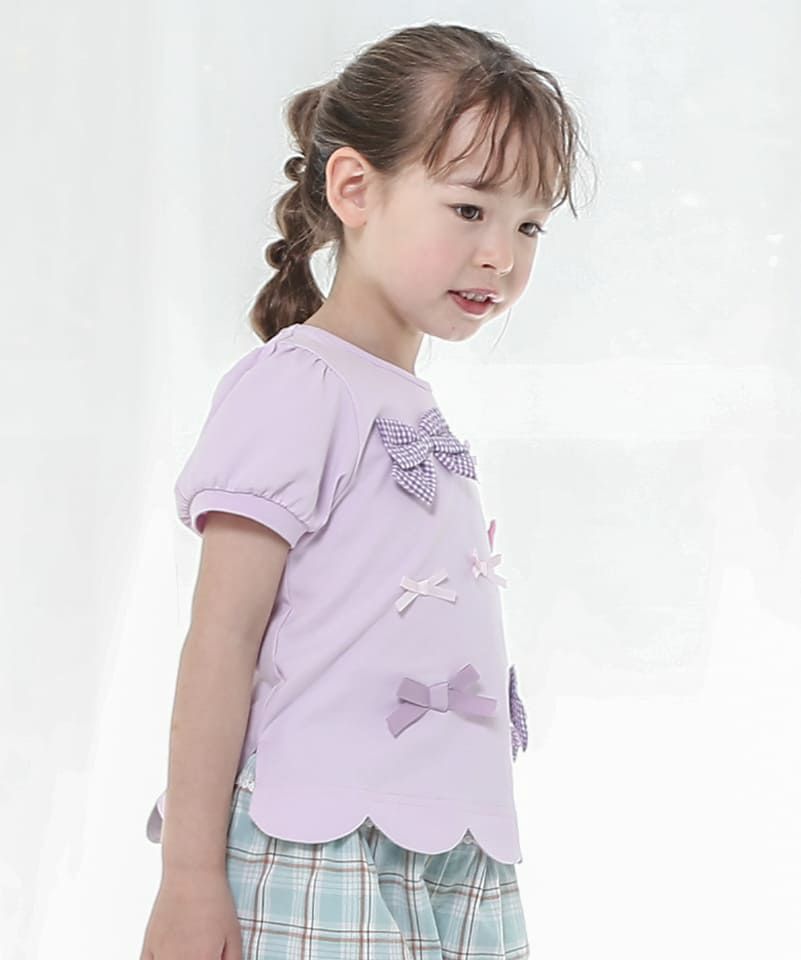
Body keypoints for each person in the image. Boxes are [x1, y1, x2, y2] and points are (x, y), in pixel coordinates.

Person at [139, 20, 592, 960]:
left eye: (527, 225)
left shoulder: (406, 402)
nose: (501, 256)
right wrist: (187, 876)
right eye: (468, 209)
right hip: (320, 846)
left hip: (446, 845)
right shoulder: (299, 385)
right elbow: (220, 641)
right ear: (353, 189)